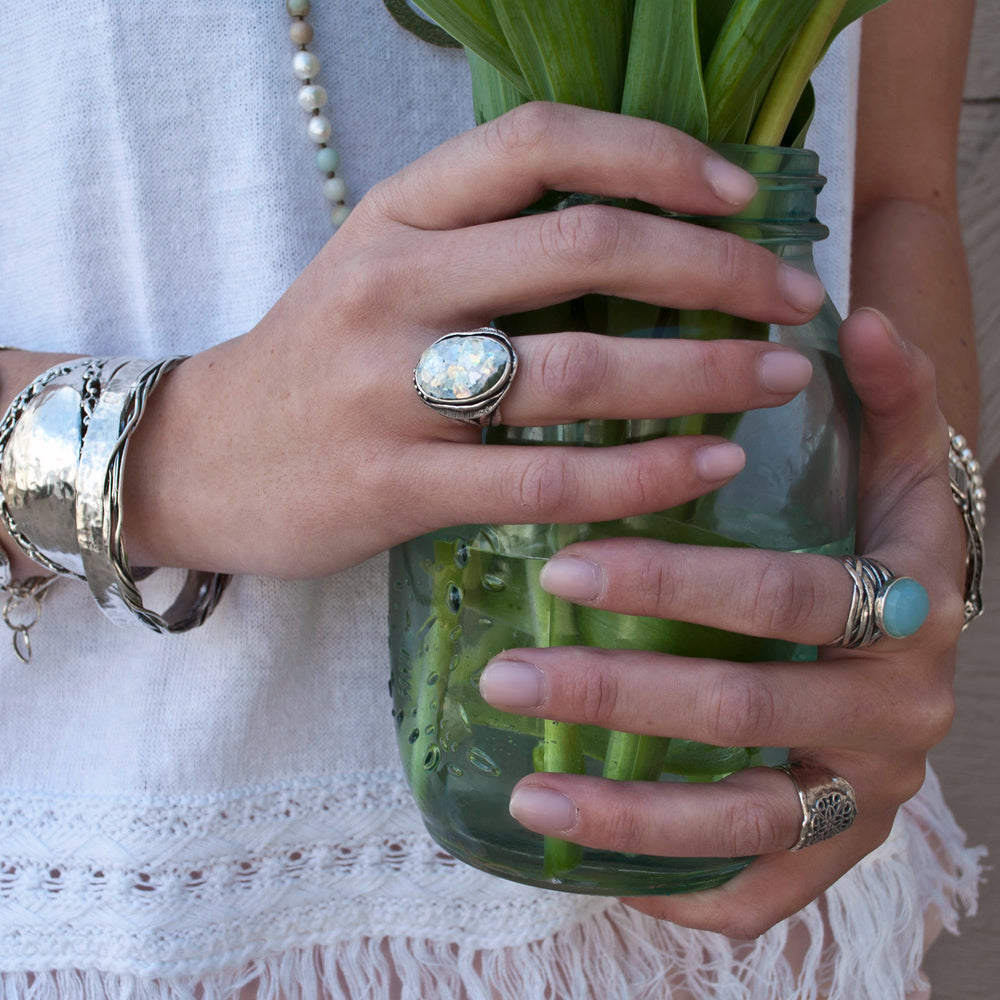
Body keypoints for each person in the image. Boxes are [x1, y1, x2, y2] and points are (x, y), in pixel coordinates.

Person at [0, 1, 985, 998]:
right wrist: (159, 455)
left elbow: (896, 197)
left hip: (754, 916)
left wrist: (925, 540)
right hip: (158, 891)